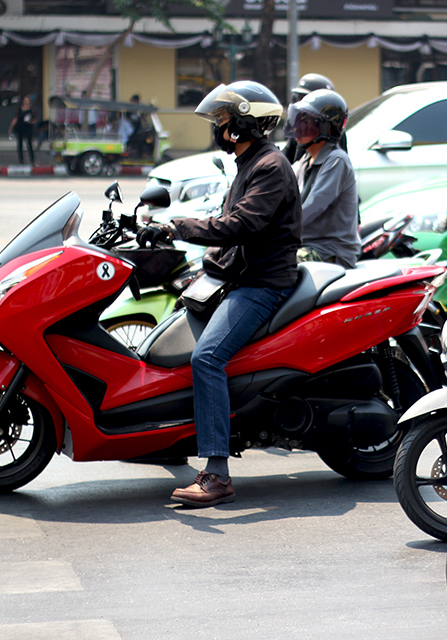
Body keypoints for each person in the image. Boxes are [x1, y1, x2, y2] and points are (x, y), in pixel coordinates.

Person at [136, 81, 302, 508]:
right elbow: (226, 219)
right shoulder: (248, 163)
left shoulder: (269, 167)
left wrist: (179, 226)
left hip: (262, 284)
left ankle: (217, 474)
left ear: (241, 125)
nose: (218, 127)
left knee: (207, 358)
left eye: (223, 120)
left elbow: (241, 225)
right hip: (236, 276)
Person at [284, 89, 360, 268]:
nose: (299, 127)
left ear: (327, 128)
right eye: (299, 120)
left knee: (273, 263)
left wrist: (278, 229)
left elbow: (313, 206)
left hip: (331, 251)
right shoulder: (305, 161)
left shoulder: (336, 160)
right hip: (307, 245)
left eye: (308, 122)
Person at [283, 74, 348, 165]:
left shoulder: (331, 133)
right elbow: (287, 158)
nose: (301, 103)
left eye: (305, 98)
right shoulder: (301, 129)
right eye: (299, 98)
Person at [8, 95, 35, 165]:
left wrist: (31, 122)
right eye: (25, 101)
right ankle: (21, 160)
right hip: (20, 128)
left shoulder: (32, 110)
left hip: (28, 128)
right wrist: (11, 127)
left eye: (28, 101)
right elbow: (15, 118)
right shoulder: (20, 110)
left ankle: (32, 160)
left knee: (29, 144)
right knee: (20, 145)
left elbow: (35, 119)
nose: (26, 102)